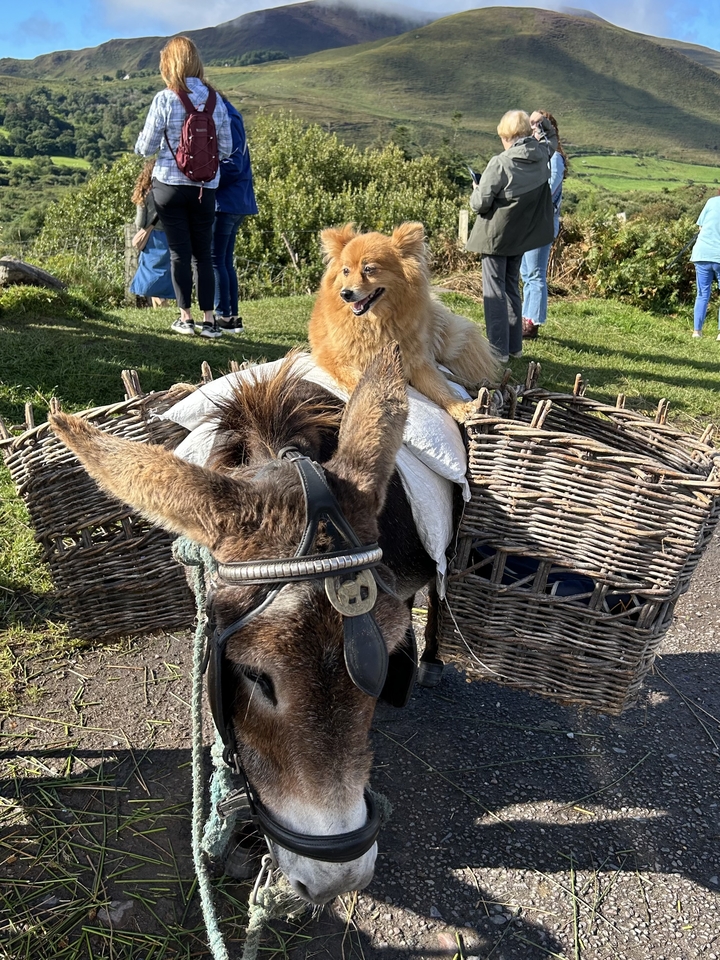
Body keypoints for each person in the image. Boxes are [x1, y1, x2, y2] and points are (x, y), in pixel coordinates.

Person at [135, 36, 232, 338]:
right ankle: (210, 321)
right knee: (203, 254)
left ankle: (185, 318)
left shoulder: (165, 98)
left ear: (169, 64)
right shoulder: (215, 100)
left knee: (179, 252)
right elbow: (227, 149)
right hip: (205, 187)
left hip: (169, 185)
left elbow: (146, 147)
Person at [465, 109, 556, 364]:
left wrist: (476, 188)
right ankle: (514, 348)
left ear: (507, 136)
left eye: (502, 138)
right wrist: (542, 123)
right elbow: (551, 139)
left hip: (495, 237)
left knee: (494, 292)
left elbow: (480, 204)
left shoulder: (500, 163)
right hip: (520, 236)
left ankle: (497, 351)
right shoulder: (541, 155)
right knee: (511, 287)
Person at [211, 94, 258, 334]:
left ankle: (223, 315)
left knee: (215, 259)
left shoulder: (225, 118)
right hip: (239, 200)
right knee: (224, 260)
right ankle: (232, 316)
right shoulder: (234, 115)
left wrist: (206, 179)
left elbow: (232, 165)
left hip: (225, 201)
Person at [520, 110, 567, 340]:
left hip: (541, 222)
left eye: (537, 123)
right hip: (529, 221)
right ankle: (525, 317)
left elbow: (550, 190)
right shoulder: (536, 155)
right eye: (531, 123)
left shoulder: (554, 158)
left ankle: (532, 323)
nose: (532, 127)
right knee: (526, 272)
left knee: (536, 273)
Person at [129, 160, 175, 306]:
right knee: (165, 273)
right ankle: (162, 306)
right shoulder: (171, 190)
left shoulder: (145, 193)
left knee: (151, 274)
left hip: (152, 238)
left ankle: (162, 305)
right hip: (170, 236)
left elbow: (140, 222)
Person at [690, 190, 720, 340]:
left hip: (702, 253)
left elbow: (701, 227)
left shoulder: (711, 201)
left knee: (702, 294)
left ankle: (697, 332)